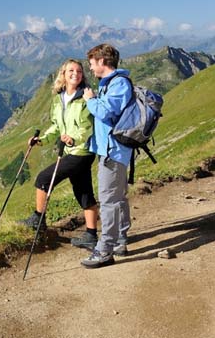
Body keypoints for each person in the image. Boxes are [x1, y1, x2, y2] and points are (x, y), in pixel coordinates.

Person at [19, 59, 98, 244]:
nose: (75, 74)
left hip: (81, 152)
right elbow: (56, 126)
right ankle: (91, 236)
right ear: (63, 74)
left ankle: (38, 220)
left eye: (79, 71)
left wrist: (73, 138)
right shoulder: (58, 98)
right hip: (75, 152)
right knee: (84, 193)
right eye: (71, 70)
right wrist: (42, 140)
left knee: (43, 179)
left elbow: (88, 127)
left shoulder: (85, 98)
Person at [81, 43, 132, 269]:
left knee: (109, 201)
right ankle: (120, 239)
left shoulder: (119, 84)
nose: (90, 68)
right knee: (118, 198)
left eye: (92, 63)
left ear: (102, 61)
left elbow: (105, 112)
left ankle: (105, 250)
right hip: (112, 150)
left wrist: (90, 99)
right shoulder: (111, 84)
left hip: (113, 152)